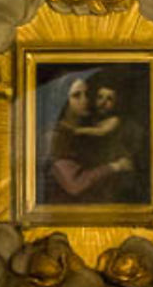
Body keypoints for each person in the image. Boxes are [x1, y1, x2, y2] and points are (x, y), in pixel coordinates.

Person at [43, 75, 133, 204]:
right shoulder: (55, 136)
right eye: (76, 95)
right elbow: (75, 185)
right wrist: (114, 167)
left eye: (86, 94)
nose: (85, 100)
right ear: (61, 101)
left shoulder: (89, 127)